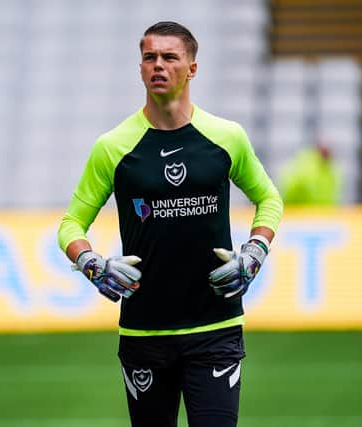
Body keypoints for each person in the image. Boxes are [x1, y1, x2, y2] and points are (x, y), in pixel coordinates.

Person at [57, 22, 283, 427]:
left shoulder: (226, 137)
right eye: (149, 57)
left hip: (216, 326)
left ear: (192, 68)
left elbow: (269, 199)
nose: (157, 65)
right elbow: (71, 225)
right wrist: (92, 264)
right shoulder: (113, 146)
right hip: (145, 332)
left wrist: (254, 252)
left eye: (169, 57)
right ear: (140, 68)